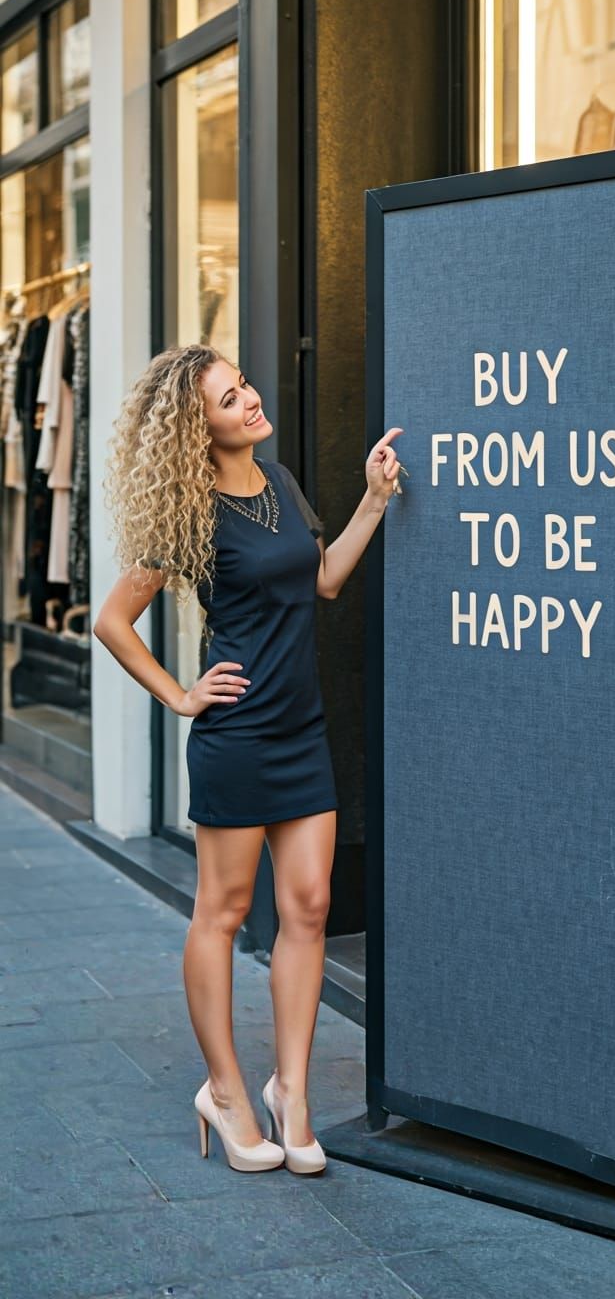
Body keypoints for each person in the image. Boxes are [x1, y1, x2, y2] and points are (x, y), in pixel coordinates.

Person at [93, 343, 405, 1175]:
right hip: (236, 738)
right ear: (200, 426)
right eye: (230, 401)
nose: (251, 402)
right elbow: (113, 621)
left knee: (308, 906)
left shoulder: (281, 483)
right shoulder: (189, 510)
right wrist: (181, 695)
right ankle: (225, 1092)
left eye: (244, 387)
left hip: (302, 729)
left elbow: (324, 582)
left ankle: (289, 1094)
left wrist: (372, 502)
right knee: (222, 916)